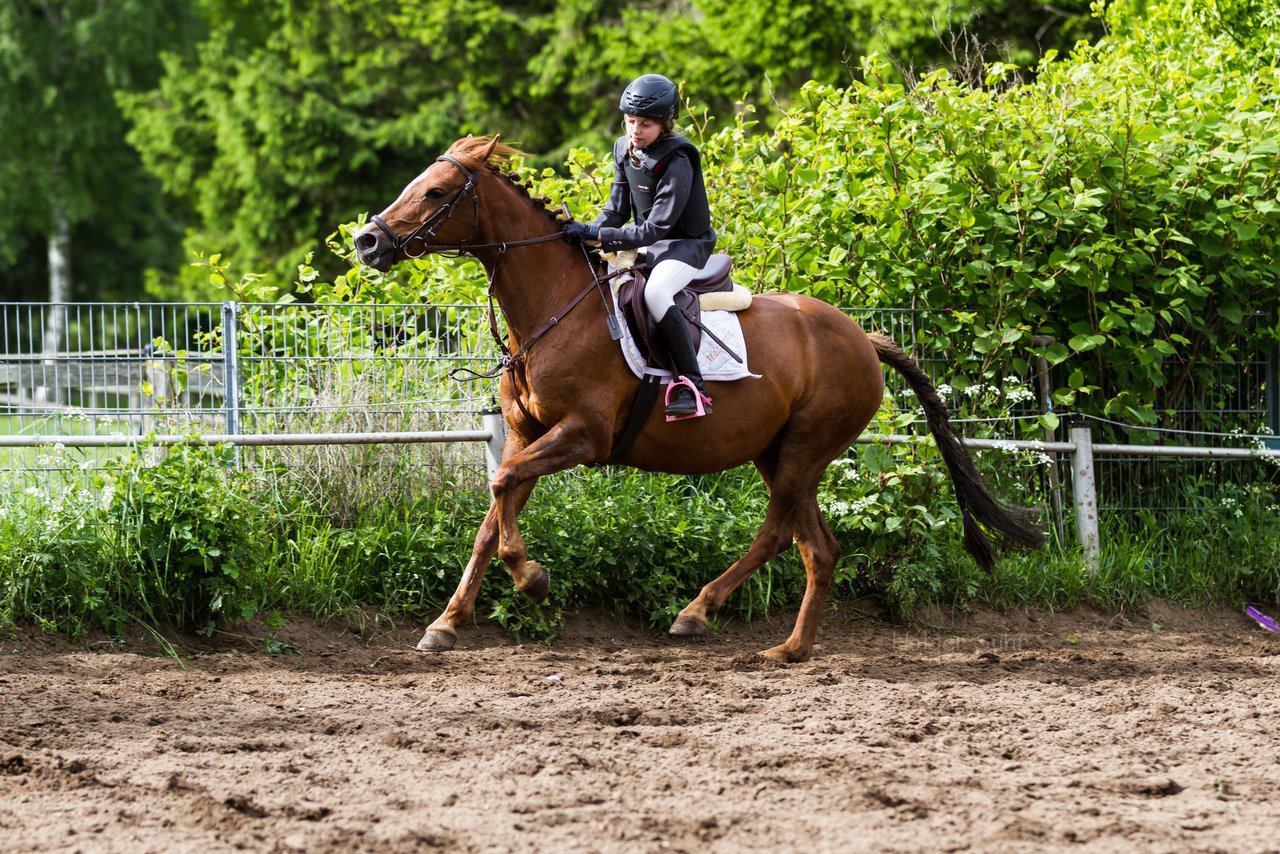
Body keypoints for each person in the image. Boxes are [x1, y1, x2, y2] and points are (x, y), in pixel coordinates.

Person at [563, 73, 716, 419]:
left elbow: (655, 227)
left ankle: (693, 386)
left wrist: (598, 235)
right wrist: (580, 232)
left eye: (645, 124)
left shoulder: (677, 160)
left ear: (665, 124)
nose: (635, 130)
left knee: (656, 294)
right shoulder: (623, 149)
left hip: (685, 246)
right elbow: (615, 211)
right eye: (631, 121)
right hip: (649, 245)